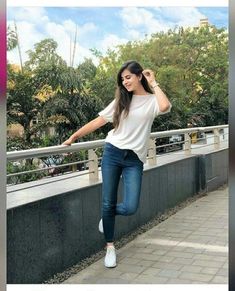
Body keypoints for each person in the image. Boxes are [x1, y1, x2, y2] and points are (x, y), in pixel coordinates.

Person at [62, 60, 172, 268]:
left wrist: (154, 81)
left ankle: (108, 215)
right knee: (107, 201)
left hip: (134, 159)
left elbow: (165, 106)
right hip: (112, 152)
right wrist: (73, 137)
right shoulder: (121, 101)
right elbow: (98, 122)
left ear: (139, 76)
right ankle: (110, 247)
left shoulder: (151, 101)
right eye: (122, 79)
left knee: (130, 206)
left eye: (128, 77)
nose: (125, 82)